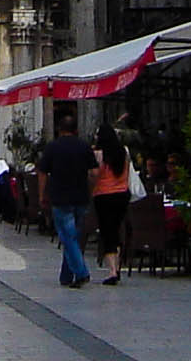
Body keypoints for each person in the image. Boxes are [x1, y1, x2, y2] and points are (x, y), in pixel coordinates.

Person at [37, 113, 97, 289]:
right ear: (76, 130)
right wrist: (91, 190)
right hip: (81, 197)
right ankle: (66, 275)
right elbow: (94, 173)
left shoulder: (52, 147)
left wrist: (41, 195)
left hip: (61, 198)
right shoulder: (84, 147)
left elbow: (42, 172)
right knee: (73, 236)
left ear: (59, 129)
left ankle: (81, 272)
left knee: (67, 237)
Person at [90, 124, 131, 286]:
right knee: (116, 228)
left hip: (104, 194)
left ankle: (112, 270)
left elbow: (94, 174)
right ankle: (117, 265)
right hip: (122, 194)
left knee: (107, 232)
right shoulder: (124, 152)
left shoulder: (98, 154)